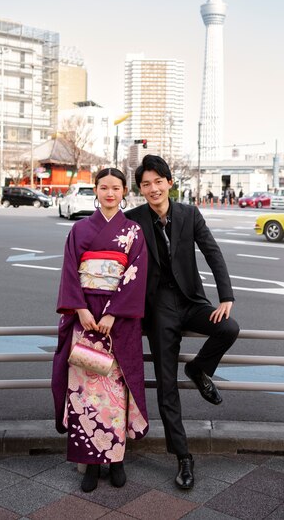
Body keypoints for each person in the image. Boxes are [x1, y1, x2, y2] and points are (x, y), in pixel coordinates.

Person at [126, 155, 239, 490]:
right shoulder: (133, 219)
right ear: (141, 189)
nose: (153, 188)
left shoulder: (189, 214)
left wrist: (226, 296)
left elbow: (212, 251)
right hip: (158, 310)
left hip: (191, 301)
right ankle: (183, 457)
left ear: (169, 182)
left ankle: (198, 369)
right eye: (146, 184)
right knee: (166, 385)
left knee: (228, 328)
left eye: (158, 181)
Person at [52, 168, 149, 493]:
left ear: (124, 192)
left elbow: (135, 276)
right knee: (84, 394)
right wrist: (79, 308)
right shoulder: (79, 229)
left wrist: (114, 315)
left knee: (116, 393)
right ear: (95, 190)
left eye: (116, 188)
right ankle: (90, 465)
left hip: (117, 327)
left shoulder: (133, 232)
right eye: (104, 187)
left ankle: (117, 460)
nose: (110, 193)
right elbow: (69, 271)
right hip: (84, 322)